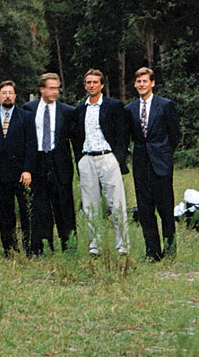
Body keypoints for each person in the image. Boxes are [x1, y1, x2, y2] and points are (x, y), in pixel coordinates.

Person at [125, 67, 180, 261]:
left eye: (145, 81)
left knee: (165, 209)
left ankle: (170, 249)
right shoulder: (130, 109)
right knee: (145, 210)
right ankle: (153, 252)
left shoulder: (165, 105)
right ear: (135, 84)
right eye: (138, 82)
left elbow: (175, 135)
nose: (141, 85)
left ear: (152, 83)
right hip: (141, 165)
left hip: (161, 164)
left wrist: (163, 153)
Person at [72, 69, 130, 256]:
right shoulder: (80, 109)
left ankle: (123, 247)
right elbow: (76, 137)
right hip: (87, 158)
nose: (91, 85)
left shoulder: (113, 106)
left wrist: (117, 159)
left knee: (117, 205)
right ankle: (94, 247)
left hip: (108, 158)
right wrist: (80, 161)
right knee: (90, 207)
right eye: (88, 82)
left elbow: (123, 135)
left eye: (95, 82)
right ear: (85, 85)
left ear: (102, 85)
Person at [23, 73, 76, 255]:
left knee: (64, 207)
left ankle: (69, 247)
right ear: (41, 89)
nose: (55, 91)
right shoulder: (29, 109)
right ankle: (41, 248)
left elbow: (75, 140)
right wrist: (26, 168)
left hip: (59, 162)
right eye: (51, 88)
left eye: (57, 88)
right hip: (38, 162)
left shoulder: (68, 111)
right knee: (40, 207)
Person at [0, 80, 37, 257]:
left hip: (21, 174)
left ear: (15, 95)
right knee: (5, 213)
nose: (7, 96)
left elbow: (31, 144)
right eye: (4, 93)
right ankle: (10, 249)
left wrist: (27, 170)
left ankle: (29, 248)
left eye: (10, 92)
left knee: (26, 212)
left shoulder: (26, 116)